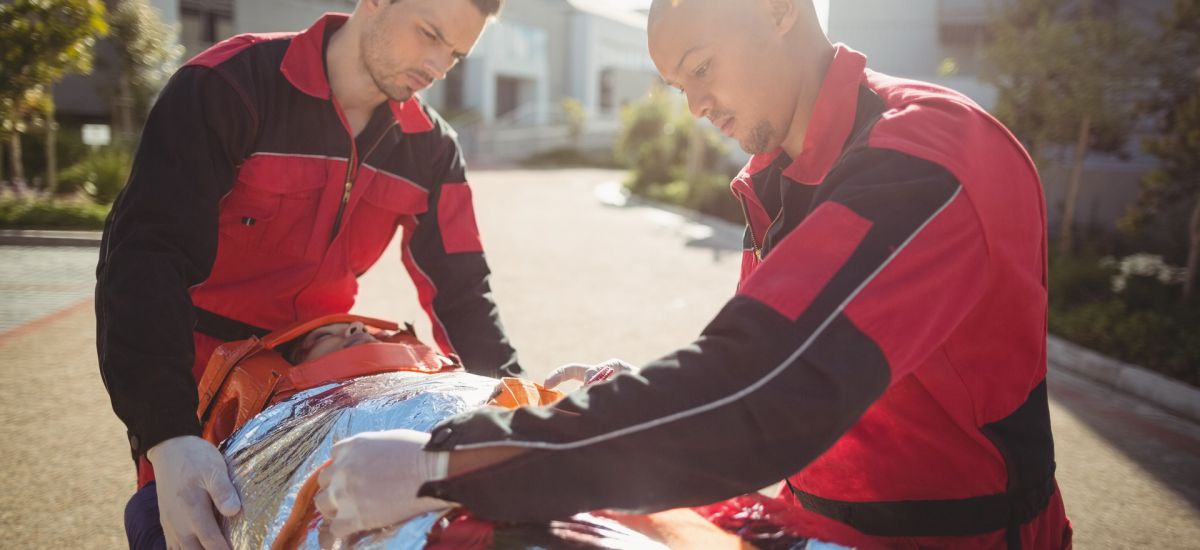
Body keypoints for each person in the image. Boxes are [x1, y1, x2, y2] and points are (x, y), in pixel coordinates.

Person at [314, 0, 1072, 548]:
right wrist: (617, 391)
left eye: (702, 69)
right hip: (806, 516)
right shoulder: (785, 172)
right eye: (678, 86)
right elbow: (763, 366)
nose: (696, 107)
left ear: (780, 10)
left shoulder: (924, 159)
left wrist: (445, 464)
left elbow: (762, 392)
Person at [97, 1, 519, 548]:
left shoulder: (432, 149)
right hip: (202, 385)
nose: (438, 65)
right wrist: (167, 432)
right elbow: (145, 254)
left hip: (328, 380)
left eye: (456, 55)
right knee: (177, 529)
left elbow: (463, 293)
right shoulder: (229, 86)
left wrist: (519, 402)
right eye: (430, 34)